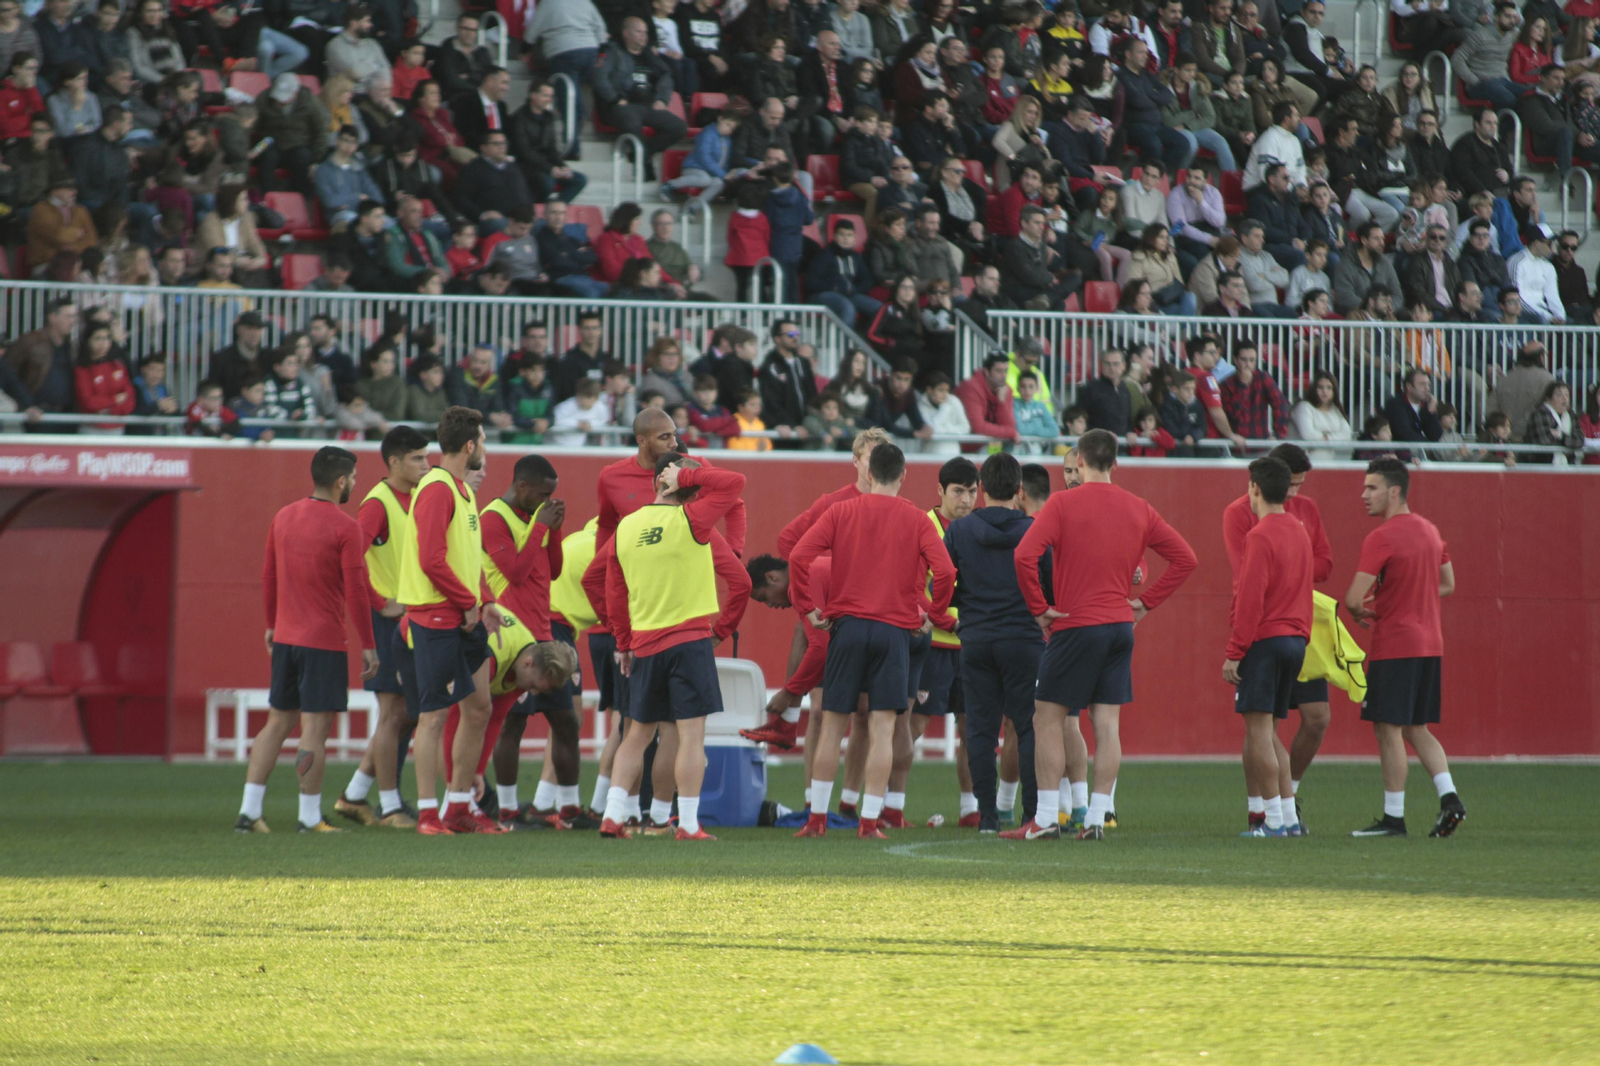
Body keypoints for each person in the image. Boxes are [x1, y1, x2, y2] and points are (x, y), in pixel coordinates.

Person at [1008, 428, 1197, 840]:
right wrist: (1146, 603)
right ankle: (1097, 816)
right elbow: (1186, 559)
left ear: (1078, 463)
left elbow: (1024, 555)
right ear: (1115, 463)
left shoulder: (1061, 503)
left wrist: (1039, 608)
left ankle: (1044, 818)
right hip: (1118, 627)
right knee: (1107, 725)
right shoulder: (1139, 507)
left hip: (1076, 625)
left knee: (1047, 718)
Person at [788, 442, 956, 839]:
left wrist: (809, 607)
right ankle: (869, 822)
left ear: (869, 473)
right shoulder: (917, 519)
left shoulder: (842, 511)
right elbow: (945, 571)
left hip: (846, 629)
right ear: (902, 475)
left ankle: (817, 820)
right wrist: (936, 615)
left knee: (832, 726)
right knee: (882, 729)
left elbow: (797, 556)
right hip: (893, 632)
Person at [598, 455, 751, 841]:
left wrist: (624, 643)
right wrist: (723, 629)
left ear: (654, 485)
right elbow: (735, 483)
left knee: (636, 735)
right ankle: (687, 824)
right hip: (690, 641)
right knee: (689, 737)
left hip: (645, 643)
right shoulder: (693, 520)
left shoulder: (627, 526)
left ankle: (613, 816)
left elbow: (614, 593)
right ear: (691, 490)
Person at [237, 448, 378, 834]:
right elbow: (356, 590)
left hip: (285, 637)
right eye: (354, 477)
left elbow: (269, 576)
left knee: (277, 721)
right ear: (340, 481)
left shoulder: (283, 516)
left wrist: (270, 623)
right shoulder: (346, 527)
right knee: (315, 729)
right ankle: (309, 816)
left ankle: (249, 813)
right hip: (324, 641)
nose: (356, 483)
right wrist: (369, 642)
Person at [394, 407, 509, 835]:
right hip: (437, 617)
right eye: (483, 440)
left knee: (478, 708)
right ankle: (427, 814)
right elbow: (431, 559)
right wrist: (466, 603)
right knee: (434, 715)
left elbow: (468, 558)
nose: (485, 448)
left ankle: (458, 807)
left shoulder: (463, 491)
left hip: (466, 614)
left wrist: (487, 600)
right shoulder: (438, 488)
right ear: (470, 446)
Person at [1345, 459, 1464, 837]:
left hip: (1396, 643)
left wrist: (1370, 609)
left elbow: (1351, 599)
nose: (1364, 495)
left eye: (1372, 488)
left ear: (1394, 491)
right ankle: (1450, 799)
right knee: (1417, 727)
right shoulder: (1430, 531)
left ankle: (1394, 818)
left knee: (1388, 727)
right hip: (1430, 643)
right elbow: (1447, 584)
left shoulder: (1381, 536)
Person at [942, 452, 1049, 832]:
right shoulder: (1035, 529)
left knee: (980, 731)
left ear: (982, 488)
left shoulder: (958, 531)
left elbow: (943, 579)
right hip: (1024, 638)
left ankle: (987, 817)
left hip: (976, 638)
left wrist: (956, 607)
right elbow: (1048, 585)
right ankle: (1032, 814)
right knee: (1028, 727)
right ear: (1020, 491)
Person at [332, 427, 431, 829]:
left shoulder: (420, 497)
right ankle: (390, 806)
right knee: (396, 712)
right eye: (418, 459)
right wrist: (380, 604)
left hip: (412, 619)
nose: (426, 465)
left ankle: (355, 795)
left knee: (407, 712)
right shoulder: (377, 504)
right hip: (390, 620)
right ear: (394, 462)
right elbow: (350, 562)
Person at [1224, 456, 1313, 838]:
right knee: (1273, 732)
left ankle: (1273, 821)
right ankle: (1289, 818)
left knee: (1259, 732)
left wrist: (1234, 651)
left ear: (1254, 489)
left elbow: (1250, 599)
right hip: (1296, 640)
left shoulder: (1258, 535)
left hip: (1265, 640)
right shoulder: (1299, 529)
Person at [592, 16, 686, 174]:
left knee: (678, 127)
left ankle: (642, 154)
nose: (644, 35)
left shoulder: (649, 55)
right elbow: (599, 78)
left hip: (646, 106)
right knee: (631, 118)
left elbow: (665, 75)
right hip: (619, 106)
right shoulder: (613, 52)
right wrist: (615, 99)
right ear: (626, 34)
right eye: (639, 31)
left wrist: (662, 99)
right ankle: (644, 164)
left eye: (646, 32)